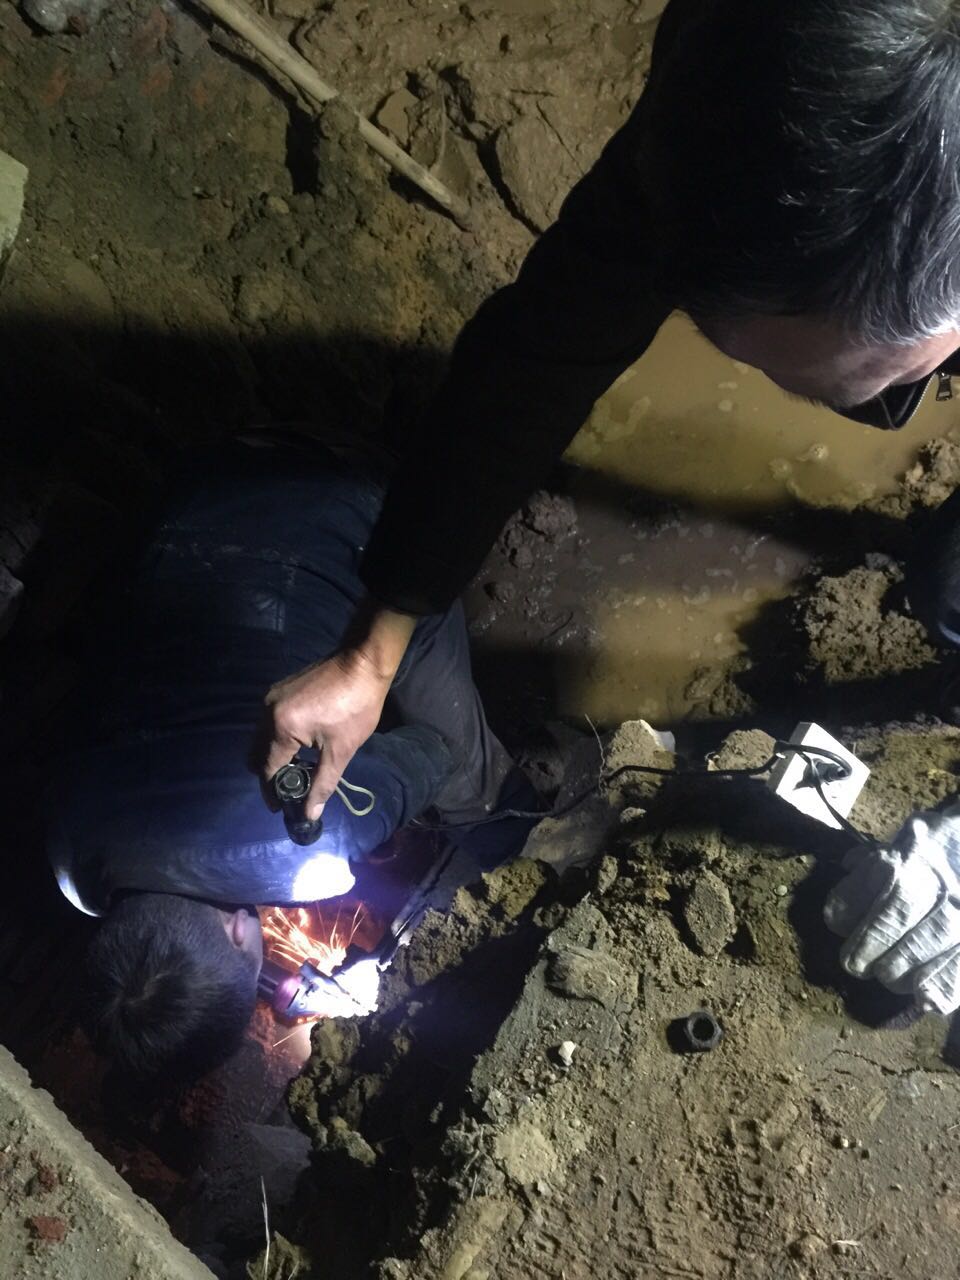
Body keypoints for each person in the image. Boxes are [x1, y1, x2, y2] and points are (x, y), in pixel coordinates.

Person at [255, 0, 960, 1016]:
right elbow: (529, 367)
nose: (760, 385)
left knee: (951, 587)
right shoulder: (737, 102)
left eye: (815, 385)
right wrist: (376, 647)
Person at [48, 439, 539, 1086]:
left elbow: (429, 752)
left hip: (354, 516)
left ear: (238, 934)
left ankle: (522, 840)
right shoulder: (70, 857)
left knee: (462, 775)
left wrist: (368, 811)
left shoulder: (310, 852)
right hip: (202, 486)